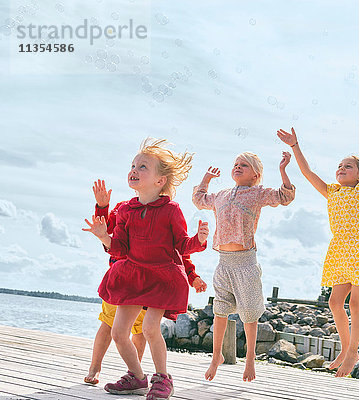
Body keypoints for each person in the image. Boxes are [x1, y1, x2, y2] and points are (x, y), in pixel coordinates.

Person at [277, 127, 359, 377]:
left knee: (355, 302)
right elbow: (307, 173)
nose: (341, 168)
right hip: (340, 251)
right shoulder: (332, 192)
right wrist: (295, 146)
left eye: (347, 166)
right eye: (339, 165)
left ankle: (351, 352)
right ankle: (347, 347)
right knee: (334, 302)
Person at [83, 139, 209, 399]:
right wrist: (103, 237)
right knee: (119, 333)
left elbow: (182, 245)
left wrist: (199, 241)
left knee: (151, 328)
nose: (134, 169)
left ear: (160, 181)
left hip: (162, 277)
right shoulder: (127, 209)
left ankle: (163, 379)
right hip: (132, 275)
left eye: (143, 166)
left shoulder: (171, 210)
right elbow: (119, 249)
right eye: (133, 165)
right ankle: (137, 377)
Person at [192, 151, 295, 382]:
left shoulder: (257, 193)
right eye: (236, 164)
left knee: (249, 314)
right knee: (220, 310)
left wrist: (283, 170)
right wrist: (206, 179)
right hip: (223, 263)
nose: (238, 167)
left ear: (256, 175)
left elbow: (285, 196)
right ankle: (216, 355)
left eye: (244, 165)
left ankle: (249, 359)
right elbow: (199, 199)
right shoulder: (220, 195)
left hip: (246, 263)